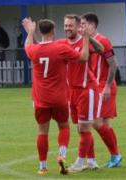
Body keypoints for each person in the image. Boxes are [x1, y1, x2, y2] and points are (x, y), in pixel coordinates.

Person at [22, 17, 90, 175]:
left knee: (42, 132)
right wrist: (86, 38)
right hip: (59, 98)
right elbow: (84, 57)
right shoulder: (60, 48)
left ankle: (42, 167)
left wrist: (30, 32)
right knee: (64, 126)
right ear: (53, 31)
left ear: (41, 31)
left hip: (41, 99)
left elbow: (27, 45)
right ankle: (62, 154)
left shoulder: (34, 50)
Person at [58, 14, 103, 172]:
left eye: (70, 25)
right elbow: (46, 47)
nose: (67, 28)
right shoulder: (62, 43)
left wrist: (88, 37)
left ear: (78, 27)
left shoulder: (83, 41)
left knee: (84, 128)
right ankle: (92, 161)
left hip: (87, 89)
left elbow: (100, 49)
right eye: (65, 25)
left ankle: (79, 162)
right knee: (80, 129)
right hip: (72, 92)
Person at [81, 13, 122, 168]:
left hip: (103, 87)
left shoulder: (103, 40)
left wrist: (106, 86)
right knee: (104, 123)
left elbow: (113, 64)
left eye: (84, 24)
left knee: (94, 122)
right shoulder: (86, 41)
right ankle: (115, 156)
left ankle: (115, 155)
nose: (81, 27)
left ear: (93, 25)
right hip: (95, 87)